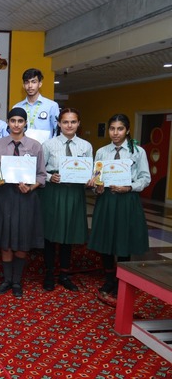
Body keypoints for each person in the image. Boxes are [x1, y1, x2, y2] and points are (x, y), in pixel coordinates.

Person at [88, 113, 150, 296]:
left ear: (127, 130)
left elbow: (145, 178)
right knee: (106, 239)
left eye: (120, 129)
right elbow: (97, 177)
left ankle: (122, 281)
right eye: (112, 129)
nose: (116, 133)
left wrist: (129, 187)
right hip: (106, 199)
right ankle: (109, 279)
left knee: (123, 240)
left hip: (126, 200)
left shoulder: (138, 152)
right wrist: (97, 188)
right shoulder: (102, 152)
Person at [0, 107, 47, 297]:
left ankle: (17, 281)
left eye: (20, 121)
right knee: (6, 240)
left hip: (26, 197)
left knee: (22, 240)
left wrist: (31, 187)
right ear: (8, 122)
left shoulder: (36, 146)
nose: (16, 124)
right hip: (4, 196)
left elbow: (41, 175)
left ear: (25, 123)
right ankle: (6, 280)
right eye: (12, 120)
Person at [40, 108, 93, 292]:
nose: (69, 125)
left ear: (78, 124)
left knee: (68, 234)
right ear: (59, 124)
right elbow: (40, 170)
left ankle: (64, 274)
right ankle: (48, 273)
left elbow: (90, 170)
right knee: (50, 233)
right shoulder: (48, 145)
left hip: (74, 192)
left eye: (73, 122)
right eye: (65, 122)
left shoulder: (85, 146)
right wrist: (49, 177)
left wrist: (90, 179)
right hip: (54, 192)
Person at [13, 68, 59, 140]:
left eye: (33, 82)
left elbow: (57, 129)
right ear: (23, 85)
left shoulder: (51, 105)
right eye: (27, 82)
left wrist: (52, 146)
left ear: (40, 84)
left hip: (44, 148)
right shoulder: (17, 107)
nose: (30, 86)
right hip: (22, 147)